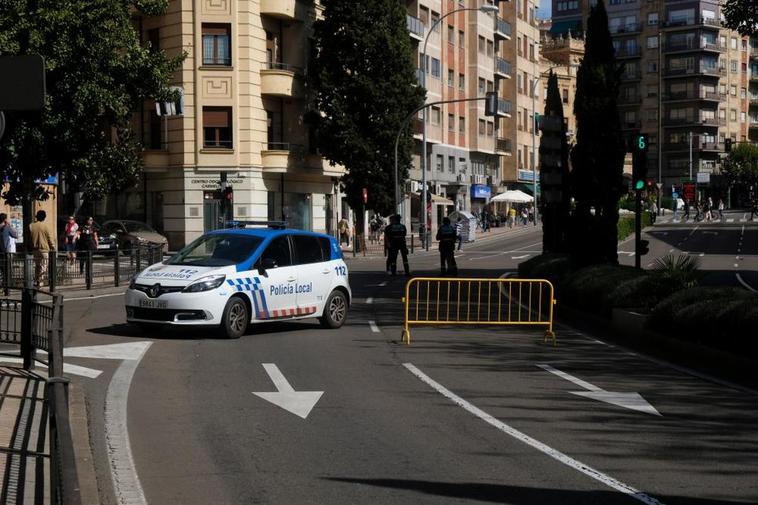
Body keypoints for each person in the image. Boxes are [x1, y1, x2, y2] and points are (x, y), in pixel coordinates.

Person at [29, 210, 56, 287]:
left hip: (35, 249)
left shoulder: (31, 226)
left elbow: (29, 238)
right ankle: (39, 281)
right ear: (44, 217)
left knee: (37, 266)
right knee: (44, 266)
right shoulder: (46, 226)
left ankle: (36, 280)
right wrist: (53, 247)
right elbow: (49, 238)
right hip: (44, 249)